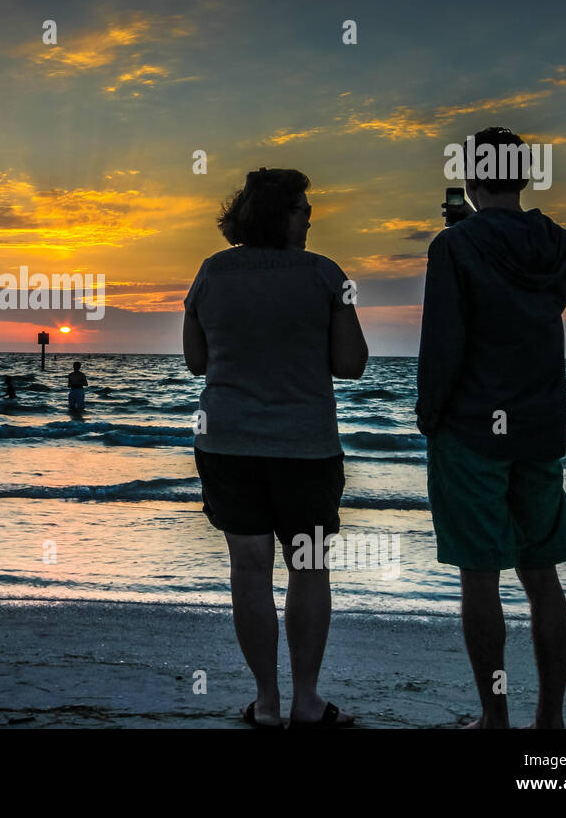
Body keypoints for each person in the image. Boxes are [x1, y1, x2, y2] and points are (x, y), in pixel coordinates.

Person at [184, 168, 367, 729]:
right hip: (305, 447)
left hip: (228, 442)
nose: (310, 216)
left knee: (249, 568)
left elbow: (197, 362)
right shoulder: (324, 276)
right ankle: (307, 700)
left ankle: (266, 701)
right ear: (279, 214)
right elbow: (352, 363)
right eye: (301, 208)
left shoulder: (211, 273)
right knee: (307, 566)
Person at [416, 127, 566, 729]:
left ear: (473, 176)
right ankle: (551, 719)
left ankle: (494, 716)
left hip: (472, 426)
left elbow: (445, 342)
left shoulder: (453, 247)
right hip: (539, 422)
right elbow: (525, 305)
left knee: (480, 575)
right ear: (525, 176)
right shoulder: (558, 244)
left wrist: (429, 411)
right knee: (542, 574)